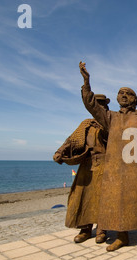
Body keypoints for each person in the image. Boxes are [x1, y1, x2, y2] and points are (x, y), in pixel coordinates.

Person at [80, 61, 137, 251]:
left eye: (128, 94)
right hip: (114, 166)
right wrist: (86, 82)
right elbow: (91, 105)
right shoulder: (110, 117)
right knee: (117, 199)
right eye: (121, 93)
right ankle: (122, 236)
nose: (124, 96)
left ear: (134, 99)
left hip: (134, 165)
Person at [53, 94, 110, 244]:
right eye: (96, 104)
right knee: (82, 196)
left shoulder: (110, 123)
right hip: (87, 165)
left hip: (105, 164)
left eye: (101, 104)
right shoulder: (86, 124)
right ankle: (85, 229)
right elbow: (73, 140)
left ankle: (102, 229)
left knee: (103, 198)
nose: (98, 107)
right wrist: (60, 151)